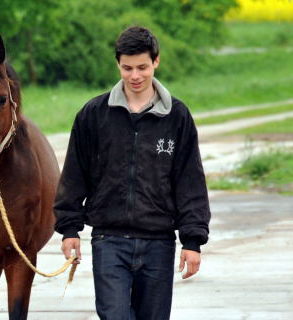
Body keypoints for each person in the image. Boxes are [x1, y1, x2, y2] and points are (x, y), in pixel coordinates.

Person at [54, 26, 210, 320]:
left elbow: (190, 182)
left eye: (142, 67)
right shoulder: (93, 114)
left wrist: (192, 241)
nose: (135, 76)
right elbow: (75, 174)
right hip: (108, 240)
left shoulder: (177, 117)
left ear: (156, 62)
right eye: (127, 68)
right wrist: (69, 229)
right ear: (118, 64)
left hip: (159, 243)